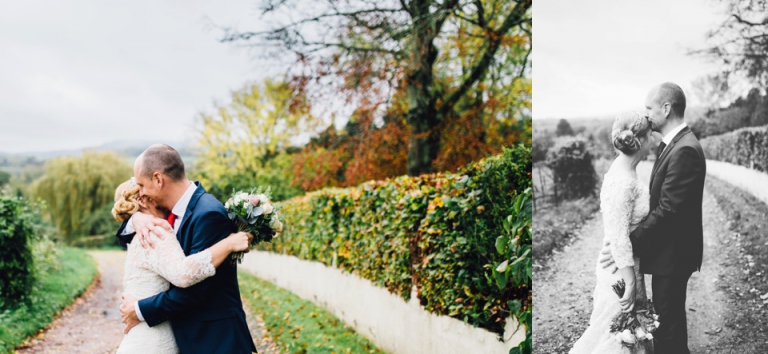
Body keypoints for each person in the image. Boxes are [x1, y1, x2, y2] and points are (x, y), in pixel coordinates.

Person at [116, 144, 257, 353]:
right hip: (188, 338)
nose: (142, 194)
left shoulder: (207, 214)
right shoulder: (158, 220)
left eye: (142, 186)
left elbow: (194, 292)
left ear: (158, 179)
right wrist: (136, 217)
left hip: (214, 341)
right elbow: (125, 237)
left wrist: (140, 309)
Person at [601, 83, 706, 354]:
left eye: (649, 108)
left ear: (666, 108)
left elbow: (668, 212)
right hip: (666, 255)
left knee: (667, 332)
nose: (646, 115)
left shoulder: (684, 149)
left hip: (673, 257)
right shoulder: (673, 144)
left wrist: (625, 244)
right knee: (664, 328)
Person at [570, 111, 654, 354]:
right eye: (650, 136)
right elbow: (618, 237)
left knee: (627, 333)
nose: (653, 141)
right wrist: (630, 282)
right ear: (640, 140)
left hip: (624, 262)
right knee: (617, 334)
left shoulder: (624, 169)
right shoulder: (624, 180)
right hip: (620, 271)